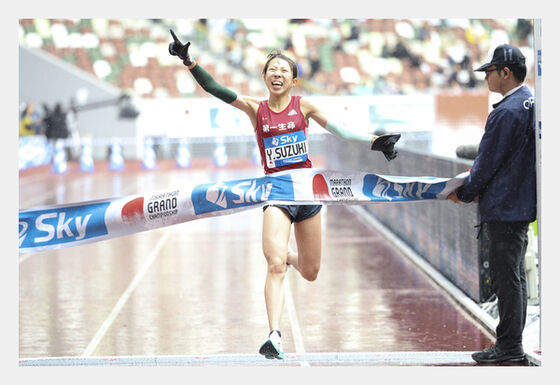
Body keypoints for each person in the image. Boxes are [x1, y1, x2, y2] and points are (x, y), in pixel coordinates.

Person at [168, 29, 401, 360]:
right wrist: (189, 61)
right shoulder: (255, 108)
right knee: (274, 264)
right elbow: (214, 88)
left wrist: (375, 142)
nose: (277, 74)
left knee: (310, 271)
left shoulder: (302, 106)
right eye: (272, 70)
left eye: (284, 71)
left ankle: (293, 258)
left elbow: (341, 130)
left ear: (293, 81)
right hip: (275, 194)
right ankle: (274, 335)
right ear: (264, 77)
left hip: (307, 194)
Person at [447, 43, 536, 363]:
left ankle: (510, 347)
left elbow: (487, 162)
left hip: (505, 205)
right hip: (520, 204)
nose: (486, 76)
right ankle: (511, 344)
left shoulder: (507, 111)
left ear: (505, 73)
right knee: (515, 276)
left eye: (489, 71)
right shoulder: (529, 104)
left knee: (506, 277)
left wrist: (466, 191)